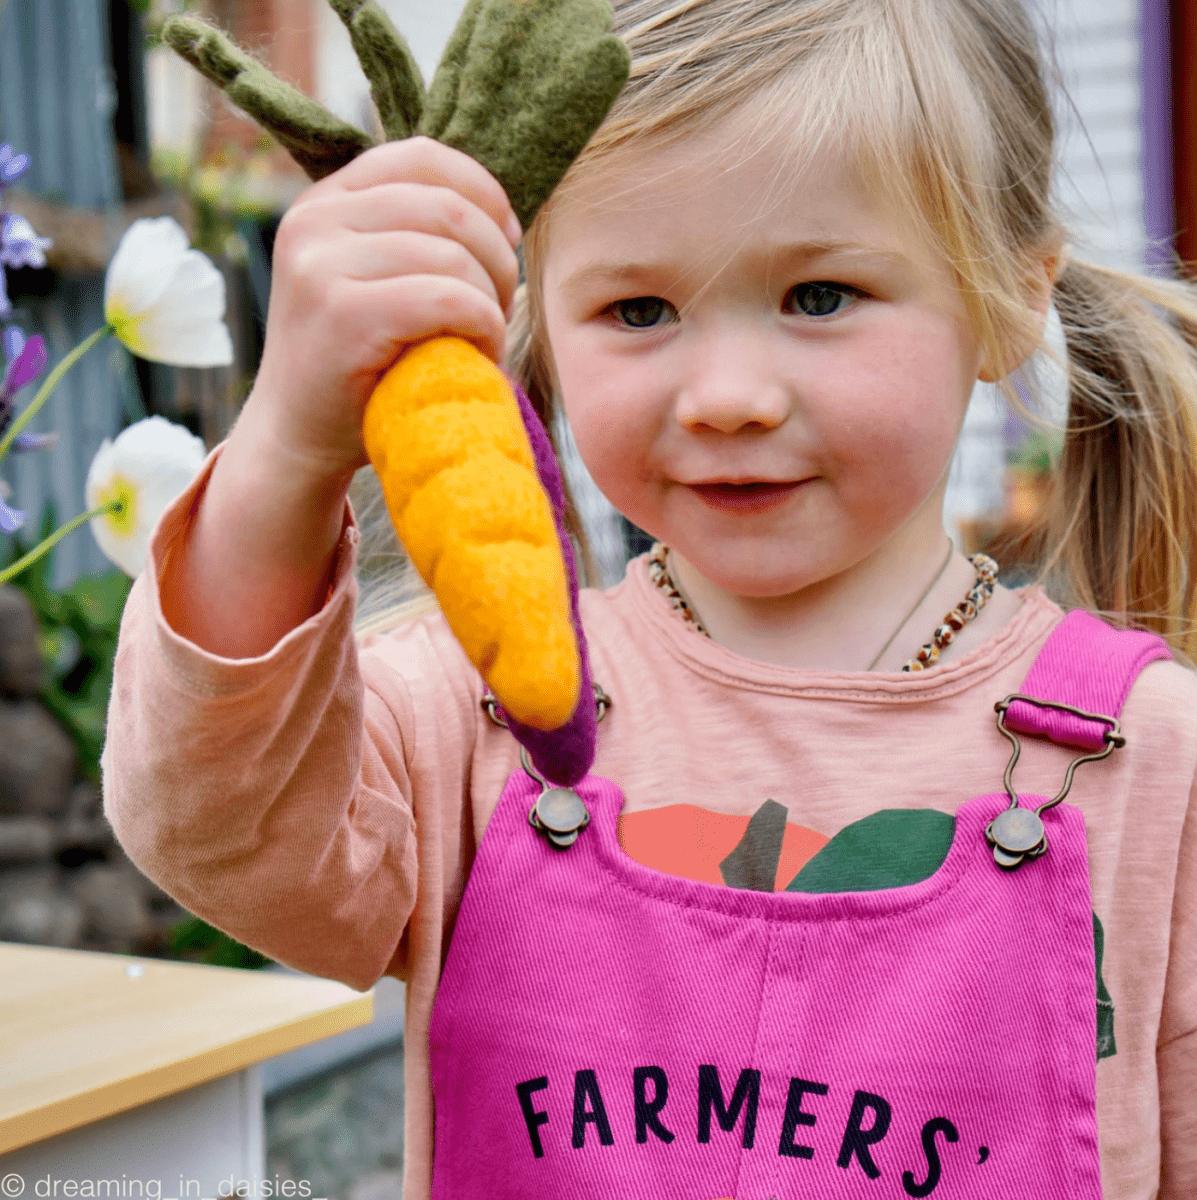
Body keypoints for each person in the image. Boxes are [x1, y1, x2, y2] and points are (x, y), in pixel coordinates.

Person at [101, 1, 1197, 1197]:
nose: (727, 395)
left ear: (1011, 295)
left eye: (820, 295)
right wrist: (290, 449)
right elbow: (210, 825)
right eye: (639, 310)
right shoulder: (474, 714)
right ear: (537, 323)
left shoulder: (1154, 764)